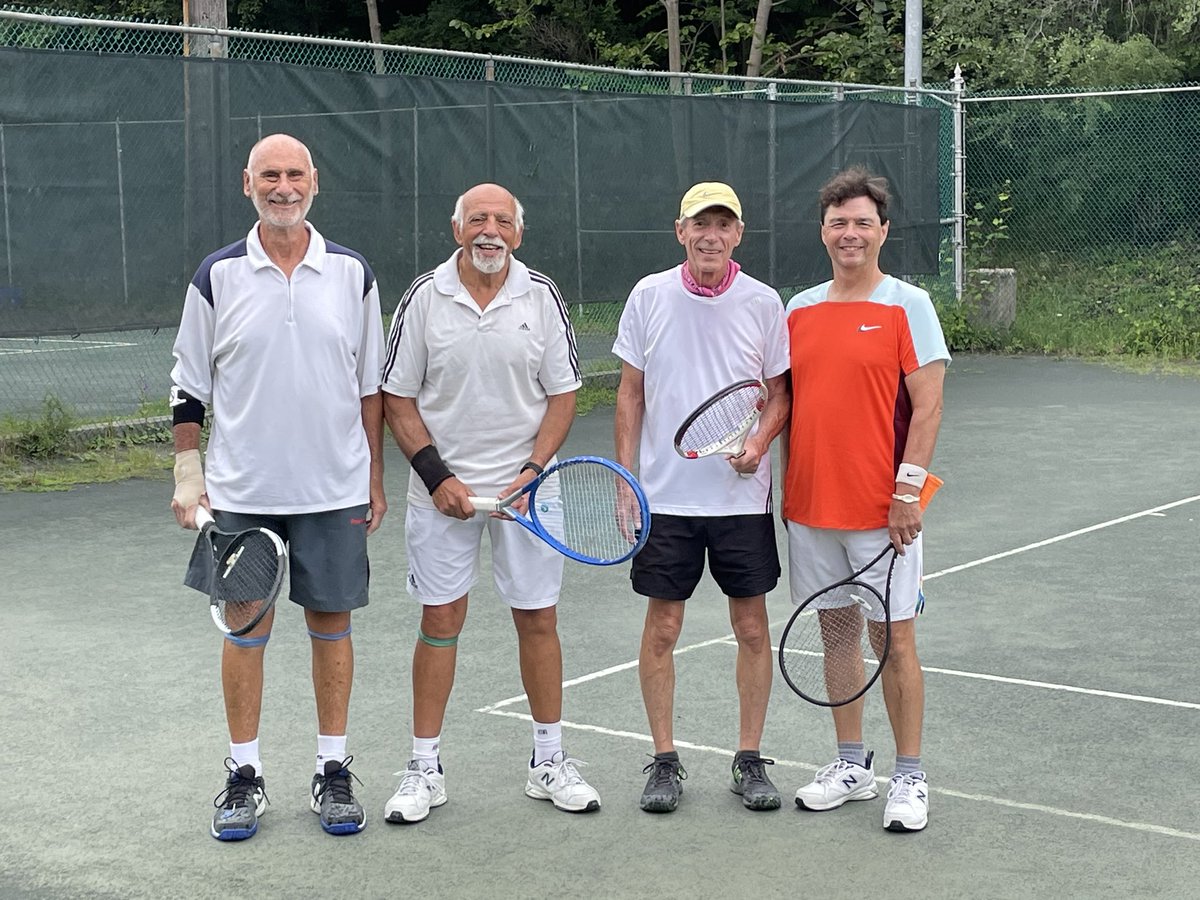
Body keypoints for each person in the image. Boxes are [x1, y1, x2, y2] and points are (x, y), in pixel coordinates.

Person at [169, 133, 387, 841]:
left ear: (314, 183)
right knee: (246, 632)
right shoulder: (216, 276)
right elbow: (188, 387)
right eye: (270, 175)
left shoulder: (352, 273)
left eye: (295, 174)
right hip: (244, 492)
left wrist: (374, 476)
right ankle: (243, 777)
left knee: (331, 627)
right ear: (248, 184)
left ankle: (332, 772)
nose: (283, 186)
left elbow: (369, 389)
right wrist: (187, 473)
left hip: (334, 490)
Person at [380, 182, 600, 824]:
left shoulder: (542, 296)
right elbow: (399, 398)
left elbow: (562, 396)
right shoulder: (424, 298)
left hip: (529, 494)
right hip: (442, 493)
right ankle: (424, 769)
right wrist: (436, 476)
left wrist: (532, 471)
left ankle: (549, 762)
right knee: (440, 620)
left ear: (518, 234)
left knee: (538, 619)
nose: (490, 230)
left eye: (503, 220)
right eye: (477, 218)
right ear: (457, 230)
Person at [613, 182, 791, 814]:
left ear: (738, 234)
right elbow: (629, 392)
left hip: (741, 500)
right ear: (680, 231)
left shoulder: (765, 302)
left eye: (723, 224)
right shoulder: (648, 295)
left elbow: (779, 394)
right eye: (700, 224)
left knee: (750, 626)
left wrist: (760, 440)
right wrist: (625, 477)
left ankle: (749, 759)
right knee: (662, 626)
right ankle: (664, 761)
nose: (711, 235)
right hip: (665, 500)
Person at [783, 166, 950, 833]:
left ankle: (909, 776)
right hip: (809, 509)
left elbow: (929, 404)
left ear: (882, 231)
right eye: (837, 223)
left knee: (894, 638)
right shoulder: (798, 309)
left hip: (885, 516)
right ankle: (852, 765)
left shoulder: (908, 305)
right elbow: (786, 401)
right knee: (837, 632)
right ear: (823, 232)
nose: (849, 233)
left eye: (861, 223)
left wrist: (907, 494)